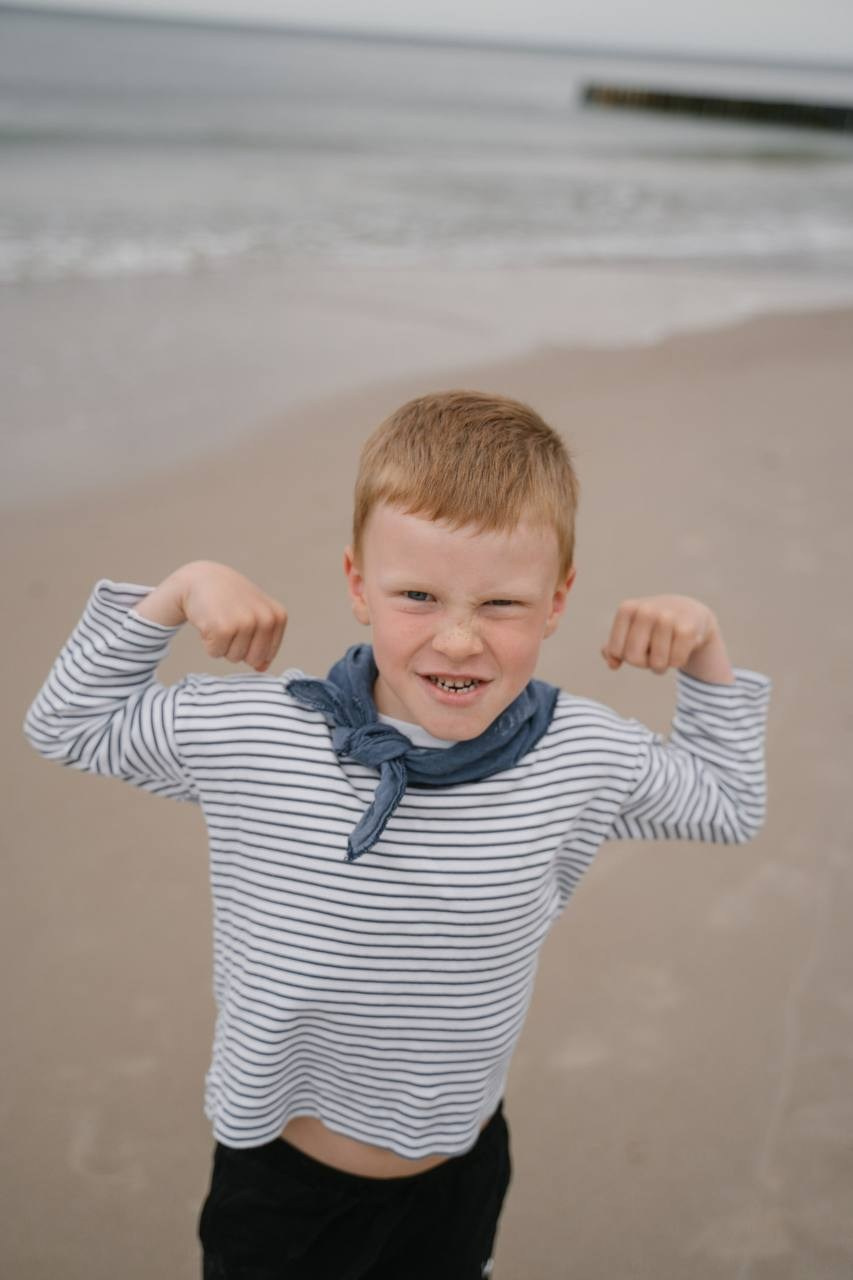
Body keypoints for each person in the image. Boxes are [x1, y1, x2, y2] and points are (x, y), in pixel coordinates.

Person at [23, 390, 771, 1280]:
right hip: (282, 1182)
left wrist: (704, 652)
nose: (457, 639)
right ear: (355, 586)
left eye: (501, 604)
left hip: (459, 1162)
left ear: (557, 600)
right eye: (416, 595)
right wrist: (176, 593)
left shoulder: (578, 753)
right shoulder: (269, 733)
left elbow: (727, 802)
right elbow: (67, 725)